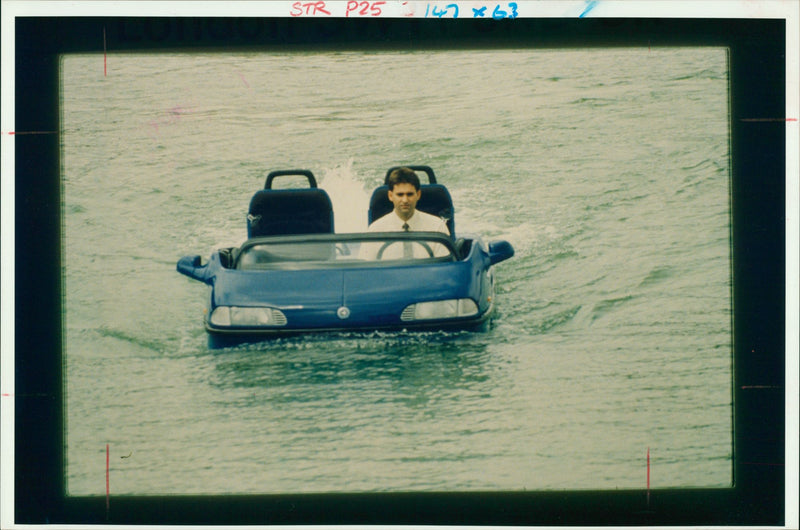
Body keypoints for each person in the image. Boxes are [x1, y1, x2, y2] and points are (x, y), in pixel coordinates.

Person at [362, 167, 450, 259]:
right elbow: (365, 268)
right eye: (400, 195)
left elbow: (445, 267)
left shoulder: (437, 227)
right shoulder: (375, 230)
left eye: (410, 194)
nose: (405, 200)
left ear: (418, 195)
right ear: (390, 196)